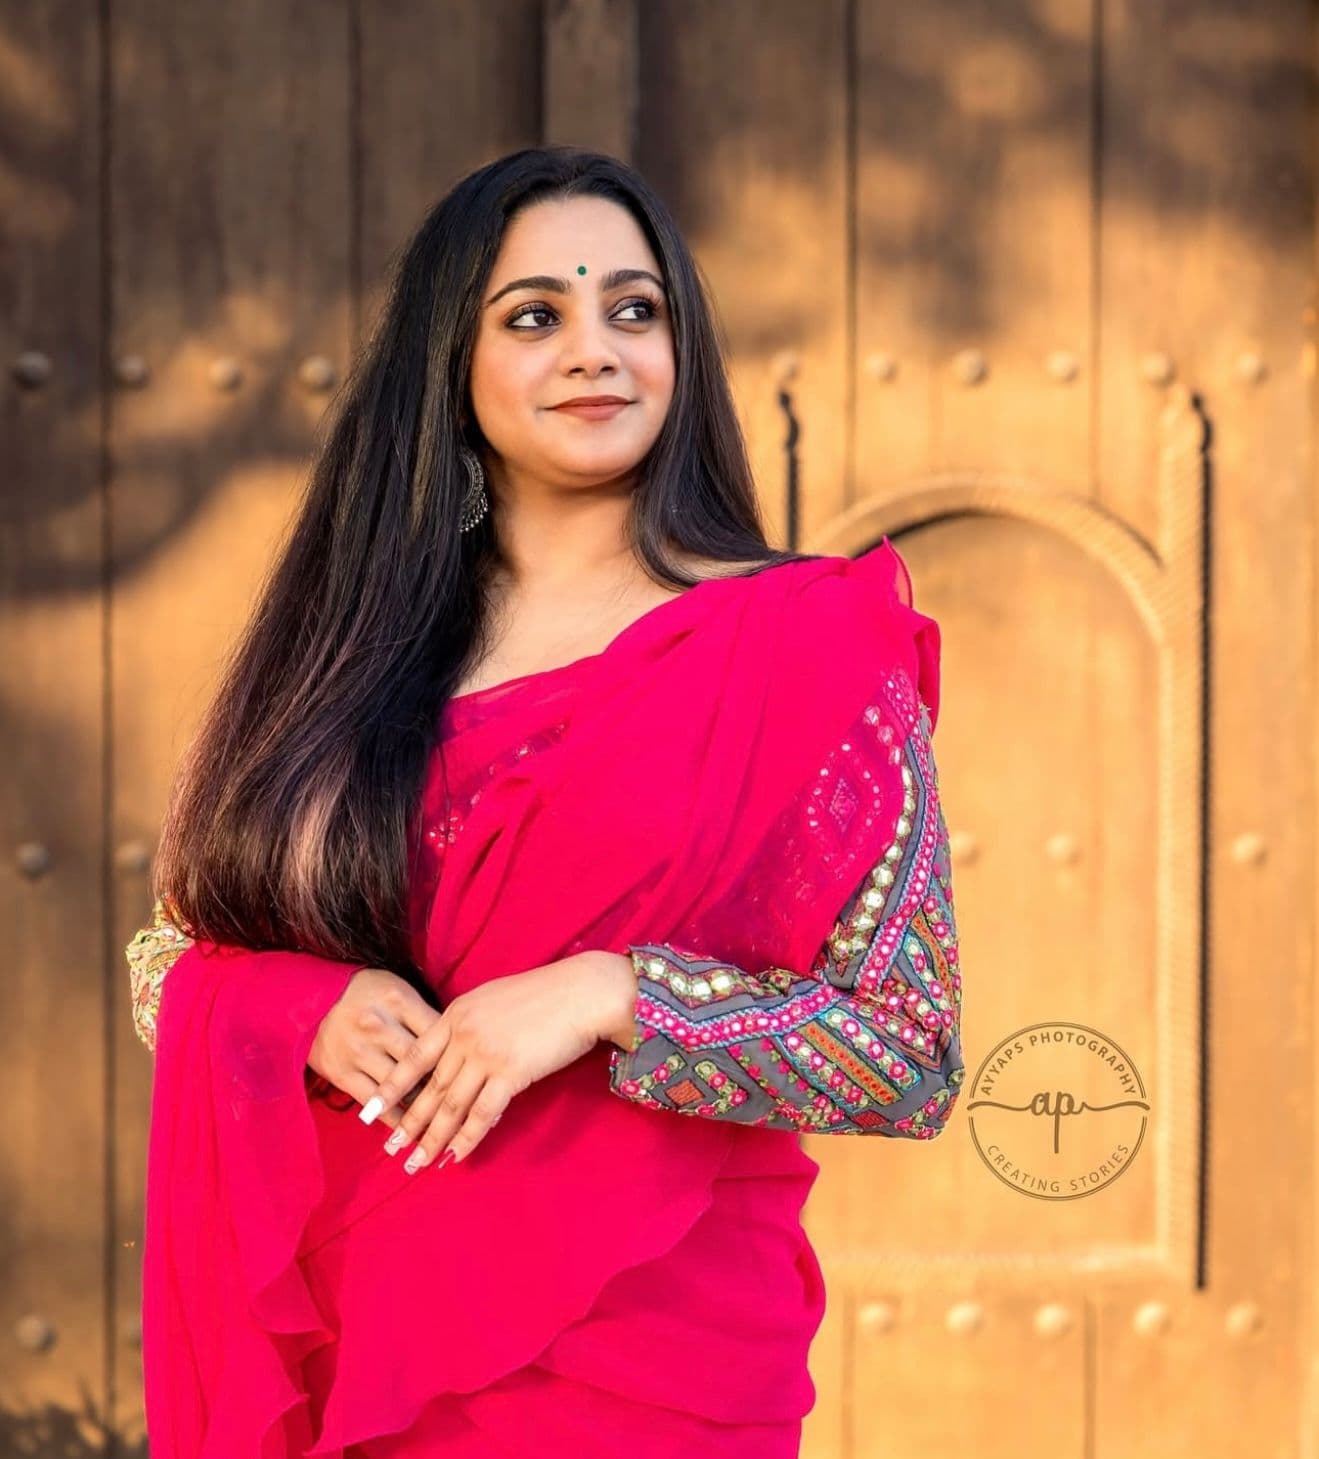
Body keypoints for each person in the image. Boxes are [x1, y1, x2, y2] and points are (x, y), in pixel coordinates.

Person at [126, 144, 965, 1459]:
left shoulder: (805, 650)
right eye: (536, 316)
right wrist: (301, 1008)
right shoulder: (344, 656)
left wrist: (618, 995)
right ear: (449, 369)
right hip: (360, 1353)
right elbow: (171, 950)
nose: (597, 350)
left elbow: (909, 1052)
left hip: (660, 1367)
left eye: (637, 311)